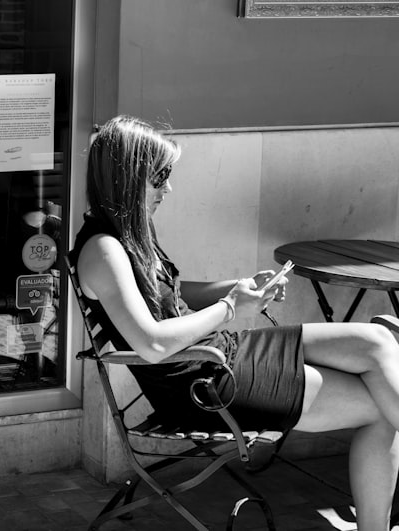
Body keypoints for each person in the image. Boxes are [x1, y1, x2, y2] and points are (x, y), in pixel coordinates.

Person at [71, 114, 399, 530]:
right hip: (203, 387)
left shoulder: (127, 235)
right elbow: (151, 343)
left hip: (219, 356)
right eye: (160, 176)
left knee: (375, 341)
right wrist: (230, 308)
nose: (168, 188)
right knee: (382, 405)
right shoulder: (104, 251)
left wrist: (239, 287)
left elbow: (168, 294)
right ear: (130, 176)